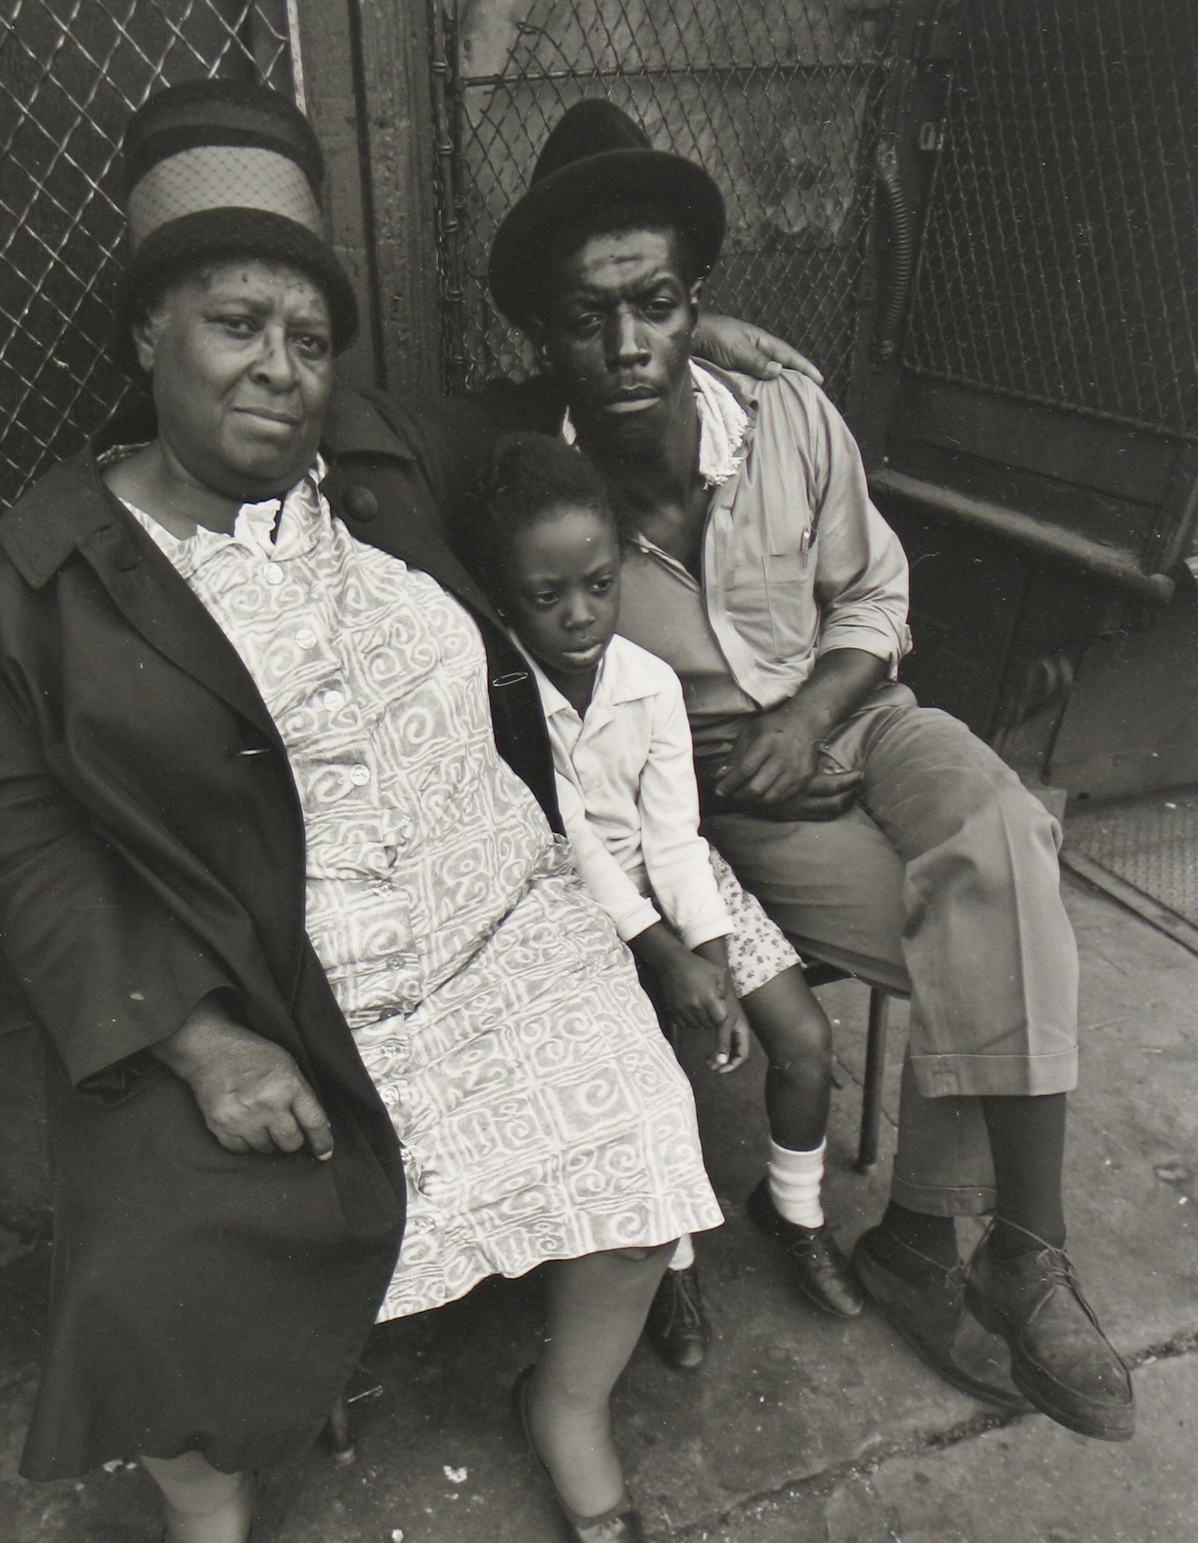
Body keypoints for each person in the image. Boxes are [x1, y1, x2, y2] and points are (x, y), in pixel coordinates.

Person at [0, 82, 734, 1543]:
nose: (278, 365)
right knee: (138, 1281)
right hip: (233, 983)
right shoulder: (47, 565)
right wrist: (186, 1041)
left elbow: (582, 430)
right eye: (234, 321)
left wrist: (744, 374)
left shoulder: (385, 451)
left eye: (308, 330)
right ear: (148, 330)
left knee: (640, 1125)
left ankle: (564, 1407)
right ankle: (209, 1514)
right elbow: (17, 830)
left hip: (484, 919)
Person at [480, 98, 1135, 1443]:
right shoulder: (534, 489)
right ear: (543, 332)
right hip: (738, 807)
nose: (625, 343)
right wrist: (751, 754)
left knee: (1002, 832)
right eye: (588, 315)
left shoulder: (787, 417)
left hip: (869, 723)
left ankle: (1018, 1245)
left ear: (695, 300)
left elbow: (876, 597)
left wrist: (819, 705)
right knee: (986, 926)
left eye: (655, 303)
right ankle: (924, 1246)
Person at [463, 433, 864, 1365]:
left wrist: (714, 953)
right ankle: (671, 1260)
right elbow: (578, 849)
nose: (579, 615)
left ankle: (794, 1210)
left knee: (802, 1038)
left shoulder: (648, 684)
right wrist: (674, 963)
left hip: (680, 889)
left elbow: (676, 837)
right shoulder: (506, 697)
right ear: (502, 595)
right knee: (658, 1072)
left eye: (600, 586)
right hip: (570, 901)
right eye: (547, 596)